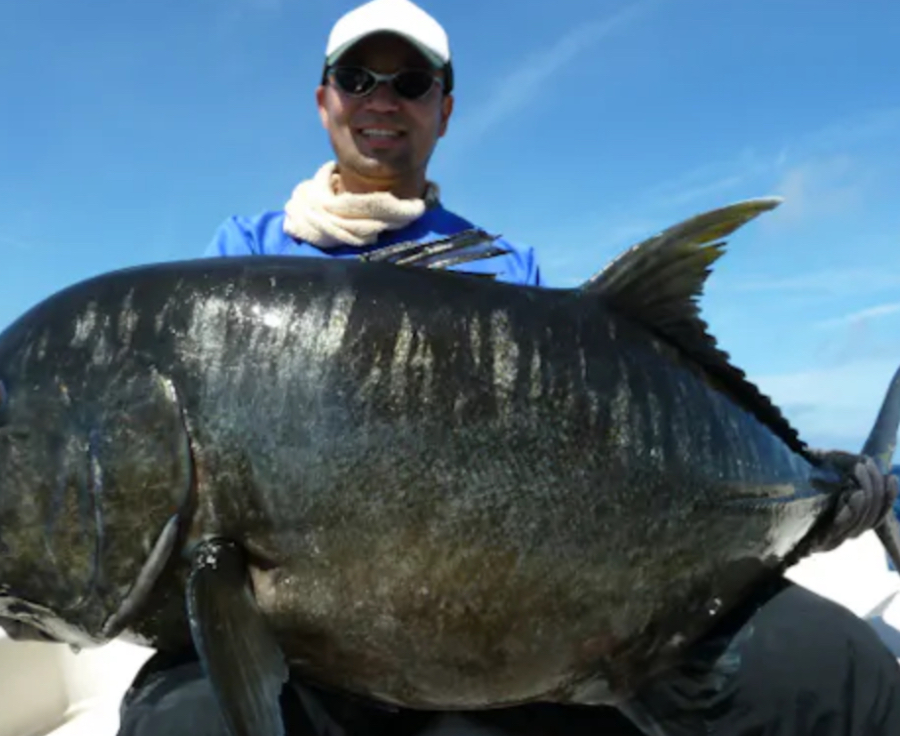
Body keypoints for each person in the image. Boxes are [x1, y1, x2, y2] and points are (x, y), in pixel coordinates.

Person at [117, 1, 900, 734]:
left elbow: (588, 455)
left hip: (496, 628)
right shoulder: (240, 264)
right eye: (358, 79)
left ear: (444, 109)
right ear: (324, 101)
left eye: (411, 83)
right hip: (308, 643)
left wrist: (807, 494)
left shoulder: (499, 272)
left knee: (848, 669)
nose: (382, 100)